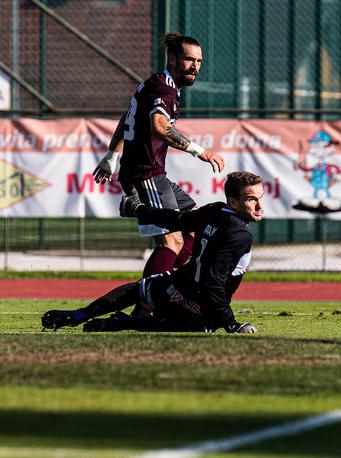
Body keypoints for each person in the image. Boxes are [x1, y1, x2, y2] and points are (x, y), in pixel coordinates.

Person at [41, 171, 264, 334]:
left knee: (142, 288)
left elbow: (177, 220)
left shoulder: (215, 211)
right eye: (252, 199)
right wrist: (230, 323)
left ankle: (81, 314)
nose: (259, 206)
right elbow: (212, 281)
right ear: (233, 202)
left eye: (260, 198)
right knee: (193, 325)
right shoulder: (240, 235)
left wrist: (139, 210)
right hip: (201, 306)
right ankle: (125, 323)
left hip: (178, 285)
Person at [93, 32, 225, 280]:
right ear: (172, 59)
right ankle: (147, 305)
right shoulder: (163, 88)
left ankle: (170, 286)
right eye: (189, 60)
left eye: (199, 61)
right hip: (146, 174)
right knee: (171, 241)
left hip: (153, 174)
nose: (195, 67)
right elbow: (160, 126)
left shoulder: (157, 84)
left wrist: (112, 155)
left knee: (194, 226)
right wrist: (200, 151)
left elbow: (126, 118)